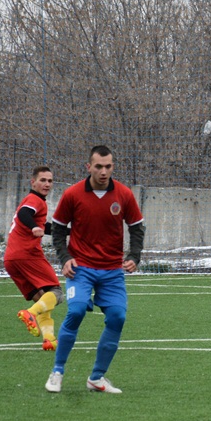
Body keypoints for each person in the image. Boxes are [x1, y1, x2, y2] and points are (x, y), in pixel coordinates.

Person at [45, 145, 144, 394]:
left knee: (118, 317)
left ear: (113, 167)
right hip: (81, 268)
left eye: (108, 166)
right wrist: (65, 258)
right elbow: (58, 229)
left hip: (112, 271)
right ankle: (57, 372)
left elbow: (136, 227)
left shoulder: (124, 194)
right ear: (88, 167)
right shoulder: (73, 194)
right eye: (98, 166)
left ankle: (97, 378)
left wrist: (134, 256)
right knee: (76, 310)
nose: (103, 171)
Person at [5, 166, 65, 351]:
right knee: (56, 293)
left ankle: (49, 339)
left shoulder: (34, 201)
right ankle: (30, 313)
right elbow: (24, 213)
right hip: (27, 254)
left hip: (11, 259)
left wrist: (71, 231)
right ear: (33, 182)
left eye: (50, 181)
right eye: (42, 180)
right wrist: (33, 227)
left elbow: (45, 227)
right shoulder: (35, 200)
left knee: (43, 300)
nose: (47, 184)